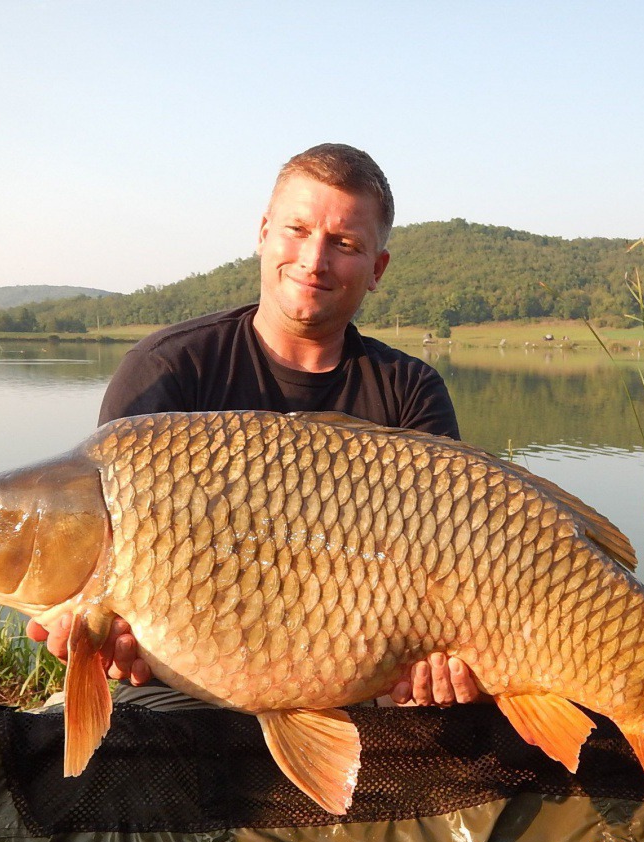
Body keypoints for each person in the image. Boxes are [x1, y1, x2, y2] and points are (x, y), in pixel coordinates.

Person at [29, 143, 483, 707]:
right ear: (264, 233)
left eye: (344, 244)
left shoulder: (408, 389)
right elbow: (114, 583)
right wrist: (105, 639)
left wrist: (442, 678)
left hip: (365, 686)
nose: (314, 260)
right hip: (185, 685)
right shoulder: (169, 367)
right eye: (296, 229)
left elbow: (461, 566)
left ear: (377, 269)